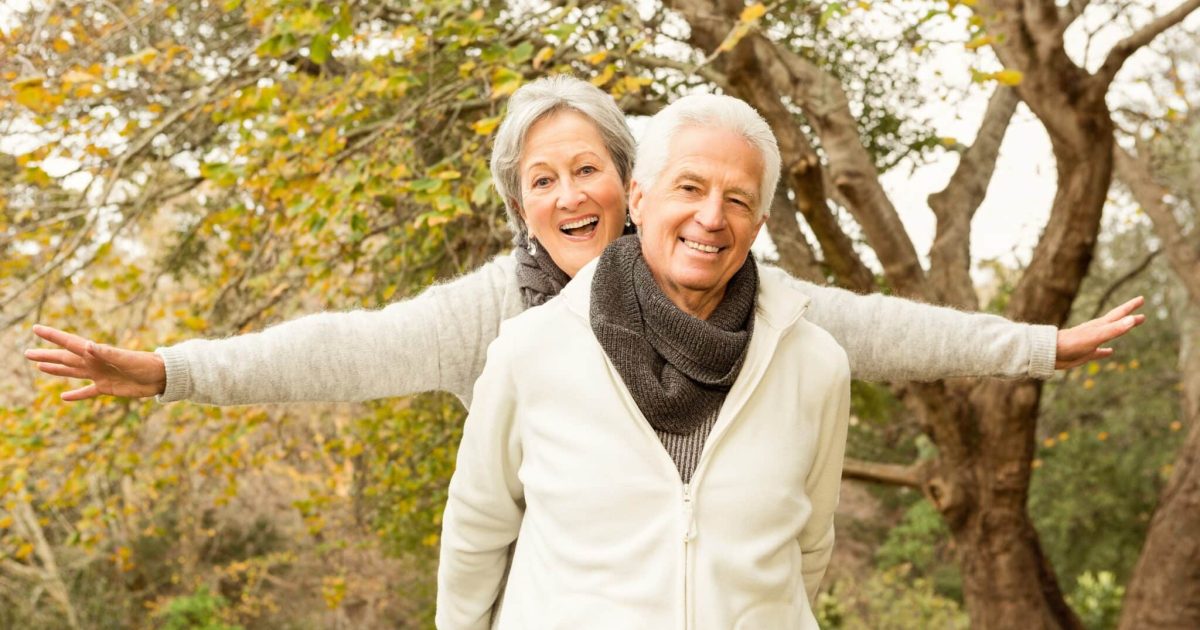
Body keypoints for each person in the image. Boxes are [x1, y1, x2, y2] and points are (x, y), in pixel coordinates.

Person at [24, 76, 1143, 412]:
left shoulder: (744, 294)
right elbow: (333, 351)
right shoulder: (490, 315)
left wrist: (1040, 345)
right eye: (541, 180)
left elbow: (892, 329)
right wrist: (171, 371)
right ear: (522, 206)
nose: (567, 193)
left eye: (587, 170)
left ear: (634, 185)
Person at [436, 93, 844, 629]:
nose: (711, 217)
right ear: (639, 199)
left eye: (738, 201)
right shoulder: (529, 349)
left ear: (759, 223)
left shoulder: (815, 366)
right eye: (690, 188)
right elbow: (475, 535)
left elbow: (808, 550)